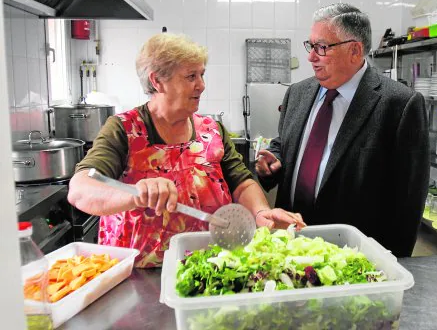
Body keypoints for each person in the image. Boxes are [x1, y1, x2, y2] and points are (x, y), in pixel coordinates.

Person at [68, 33, 305, 268]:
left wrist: (261, 211)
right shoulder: (125, 130)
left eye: (202, 74)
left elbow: (241, 182)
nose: (201, 85)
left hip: (208, 266)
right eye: (191, 76)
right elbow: (80, 190)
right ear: (157, 81)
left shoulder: (211, 130)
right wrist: (135, 193)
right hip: (139, 272)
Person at [255, 3, 429, 257]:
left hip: (352, 255)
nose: (311, 57)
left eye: (322, 48)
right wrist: (274, 162)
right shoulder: (298, 93)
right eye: (310, 46)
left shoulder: (399, 104)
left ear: (355, 51)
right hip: (291, 243)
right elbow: (286, 144)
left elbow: (409, 201)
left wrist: (395, 264)